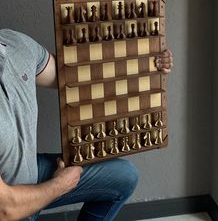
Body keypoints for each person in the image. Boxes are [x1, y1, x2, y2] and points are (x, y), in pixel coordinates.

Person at [0, 28, 173, 221]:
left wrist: (147, 62)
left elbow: (74, 75)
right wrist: (59, 185)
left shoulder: (16, 44)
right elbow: (5, 209)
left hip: (30, 174)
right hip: (9, 205)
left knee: (124, 176)